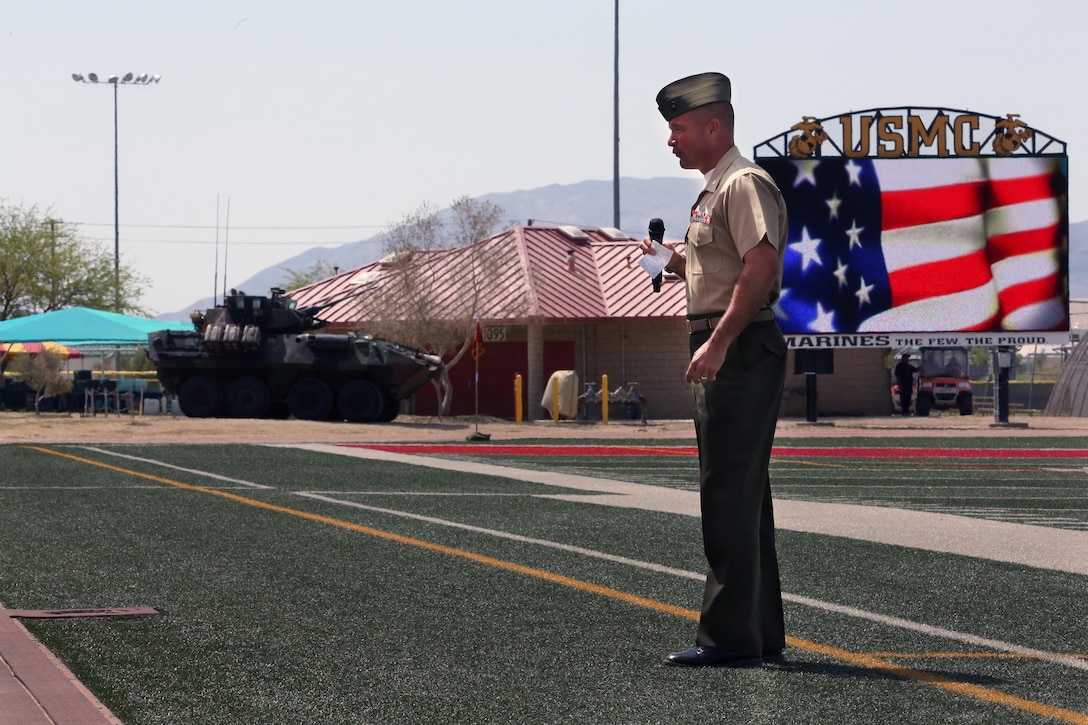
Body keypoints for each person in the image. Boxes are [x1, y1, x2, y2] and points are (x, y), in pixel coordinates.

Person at [641, 72, 788, 668]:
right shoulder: (714, 189)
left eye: (677, 128)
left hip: (741, 347)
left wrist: (720, 343)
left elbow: (760, 267)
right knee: (745, 499)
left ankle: (730, 639)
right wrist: (673, 262)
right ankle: (760, 635)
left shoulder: (744, 183)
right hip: (733, 344)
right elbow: (723, 269)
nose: (671, 139)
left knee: (726, 494)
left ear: (713, 125)